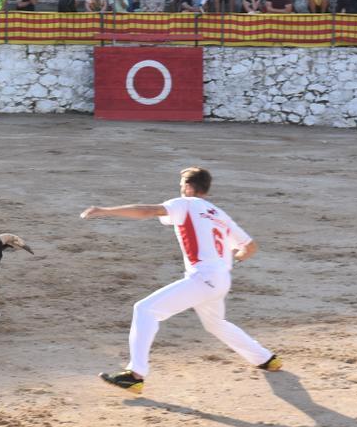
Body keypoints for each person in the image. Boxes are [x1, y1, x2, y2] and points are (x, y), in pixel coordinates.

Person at [82, 167, 282, 394]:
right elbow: (250, 247)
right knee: (216, 324)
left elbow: (148, 211)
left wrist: (106, 210)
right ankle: (266, 358)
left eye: (181, 186)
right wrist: (234, 257)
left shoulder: (185, 203)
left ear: (187, 187)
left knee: (145, 310)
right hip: (220, 280)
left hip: (204, 279)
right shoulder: (219, 214)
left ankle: (135, 375)